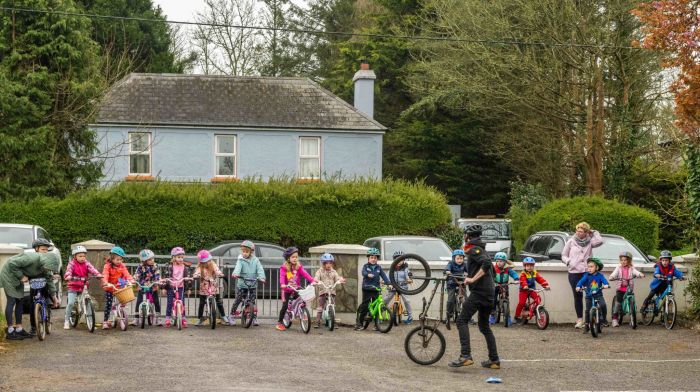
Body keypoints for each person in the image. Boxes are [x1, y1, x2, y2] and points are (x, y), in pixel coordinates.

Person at [449, 224, 500, 370]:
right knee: (484, 327)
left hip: (480, 293)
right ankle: (494, 360)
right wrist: (470, 277)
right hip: (488, 292)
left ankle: (465, 355)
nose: (464, 236)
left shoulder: (474, 249)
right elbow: (490, 270)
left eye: (465, 234)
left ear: (468, 236)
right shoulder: (479, 248)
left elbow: (486, 263)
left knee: (461, 320)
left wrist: (472, 279)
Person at [0, 244, 60, 340]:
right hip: (9, 276)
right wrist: (21, 276)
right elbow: (12, 263)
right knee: (12, 301)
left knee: (20, 301)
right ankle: (10, 330)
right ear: (46, 263)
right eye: (48, 268)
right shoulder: (31, 258)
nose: (48, 270)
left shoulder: (45, 266)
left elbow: (48, 279)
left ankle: (19, 329)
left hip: (18, 278)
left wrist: (54, 296)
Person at [562, 222, 603, 328]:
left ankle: (591, 320)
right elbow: (563, 255)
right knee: (578, 296)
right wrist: (568, 262)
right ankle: (580, 320)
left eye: (581, 231)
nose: (578, 233)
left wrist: (594, 232)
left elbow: (600, 241)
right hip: (574, 273)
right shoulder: (571, 241)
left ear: (586, 233)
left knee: (592, 294)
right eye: (577, 231)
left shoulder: (590, 242)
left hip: (588, 272)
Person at [63, 245, 102, 330]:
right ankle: (66, 320)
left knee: (88, 302)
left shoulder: (86, 263)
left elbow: (92, 269)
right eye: (80, 256)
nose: (82, 258)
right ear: (75, 256)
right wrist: (68, 276)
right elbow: (68, 270)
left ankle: (90, 321)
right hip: (73, 286)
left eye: (84, 256)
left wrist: (98, 274)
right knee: (71, 303)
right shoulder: (72, 263)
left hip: (83, 286)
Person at [276, 247, 315, 331]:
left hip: (295, 289)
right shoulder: (284, 268)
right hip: (286, 290)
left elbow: (305, 274)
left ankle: (301, 311)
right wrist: (283, 284)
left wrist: (312, 280)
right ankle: (279, 322)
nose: (295, 259)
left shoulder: (298, 267)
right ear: (288, 258)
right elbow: (282, 277)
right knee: (285, 305)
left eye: (296, 257)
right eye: (293, 257)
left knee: (302, 299)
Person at [229, 240, 266, 326]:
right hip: (242, 284)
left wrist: (262, 277)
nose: (244, 253)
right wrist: (236, 274)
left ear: (251, 252)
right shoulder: (240, 260)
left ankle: (254, 317)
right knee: (238, 299)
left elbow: (259, 268)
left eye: (247, 251)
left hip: (252, 283)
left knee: (252, 302)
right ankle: (231, 315)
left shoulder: (255, 260)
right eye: (243, 251)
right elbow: (238, 267)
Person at [354, 247, 391, 331]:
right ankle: (359, 323)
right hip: (367, 288)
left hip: (376, 289)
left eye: (375, 258)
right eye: (371, 257)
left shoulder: (378, 267)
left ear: (377, 259)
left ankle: (376, 324)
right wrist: (367, 274)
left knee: (377, 306)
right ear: (368, 258)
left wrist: (389, 283)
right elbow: (363, 272)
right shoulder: (365, 266)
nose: (373, 259)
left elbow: (384, 276)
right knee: (365, 306)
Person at [101, 246, 136, 329]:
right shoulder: (107, 266)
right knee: (108, 304)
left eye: (121, 259)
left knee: (123, 300)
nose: (119, 261)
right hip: (110, 287)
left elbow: (126, 274)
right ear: (112, 259)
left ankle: (122, 314)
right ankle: (105, 321)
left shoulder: (122, 266)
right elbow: (105, 274)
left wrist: (131, 280)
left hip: (119, 286)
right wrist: (105, 282)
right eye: (117, 259)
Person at [641, 250, 685, 314]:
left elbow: (677, 272)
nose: (664, 262)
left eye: (666, 260)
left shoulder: (672, 267)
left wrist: (682, 276)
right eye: (663, 260)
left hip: (666, 285)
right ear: (661, 260)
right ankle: (644, 305)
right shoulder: (659, 266)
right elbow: (656, 272)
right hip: (657, 285)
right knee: (651, 294)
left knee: (666, 300)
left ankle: (664, 317)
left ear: (669, 261)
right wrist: (657, 275)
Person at [193, 250, 229, 326]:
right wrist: (196, 275)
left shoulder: (213, 264)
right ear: (202, 262)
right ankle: (200, 318)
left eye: (209, 260)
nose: (208, 262)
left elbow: (217, 270)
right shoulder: (200, 267)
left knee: (219, 301)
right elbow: (197, 272)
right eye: (206, 262)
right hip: (204, 287)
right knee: (202, 303)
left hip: (213, 286)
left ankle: (223, 316)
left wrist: (220, 274)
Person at [609, 251, 644, 327]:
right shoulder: (618, 268)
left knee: (632, 302)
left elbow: (636, 272)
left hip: (629, 288)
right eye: (621, 260)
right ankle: (614, 319)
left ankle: (632, 319)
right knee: (618, 303)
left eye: (625, 260)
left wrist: (640, 274)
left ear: (629, 261)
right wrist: (612, 277)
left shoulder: (631, 268)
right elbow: (614, 274)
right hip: (620, 289)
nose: (623, 262)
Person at [576, 257, 610, 334]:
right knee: (587, 310)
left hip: (598, 295)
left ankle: (603, 319)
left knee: (603, 305)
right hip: (589, 295)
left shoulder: (600, 275)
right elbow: (581, 281)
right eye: (588, 267)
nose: (589, 268)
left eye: (591, 267)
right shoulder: (586, 275)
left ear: (597, 267)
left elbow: (605, 282)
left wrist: (606, 285)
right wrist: (578, 286)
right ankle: (587, 325)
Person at [161, 247, 192, 328]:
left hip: (181, 287)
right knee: (170, 302)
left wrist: (188, 288)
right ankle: (167, 318)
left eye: (182, 257)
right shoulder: (169, 266)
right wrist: (163, 287)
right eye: (179, 257)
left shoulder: (185, 267)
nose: (181, 259)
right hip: (171, 286)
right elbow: (165, 277)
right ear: (174, 257)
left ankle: (183, 318)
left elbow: (188, 278)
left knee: (182, 303)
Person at [313, 252, 346, 328]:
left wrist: (340, 279)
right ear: (323, 264)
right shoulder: (320, 271)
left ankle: (332, 322)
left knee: (332, 306)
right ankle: (318, 322)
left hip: (331, 291)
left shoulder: (334, 272)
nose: (328, 265)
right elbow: (316, 277)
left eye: (330, 263)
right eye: (326, 263)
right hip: (323, 291)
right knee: (320, 307)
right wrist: (317, 281)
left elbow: (337, 277)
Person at [514, 257, 550, 324]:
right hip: (524, 290)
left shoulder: (535, 273)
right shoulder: (523, 273)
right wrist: (525, 285)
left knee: (538, 299)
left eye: (531, 265)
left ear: (533, 266)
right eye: (527, 266)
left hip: (532, 290)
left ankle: (535, 311)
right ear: (525, 266)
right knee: (521, 303)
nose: (529, 267)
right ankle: (517, 316)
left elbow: (540, 279)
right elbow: (522, 280)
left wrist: (545, 285)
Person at [131, 249, 162, 326]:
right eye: (150, 259)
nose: (152, 260)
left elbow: (157, 274)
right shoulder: (141, 266)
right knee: (139, 301)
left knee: (156, 302)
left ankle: (158, 319)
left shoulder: (155, 265)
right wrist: (134, 279)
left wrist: (158, 280)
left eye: (152, 258)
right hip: (143, 286)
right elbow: (137, 274)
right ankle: (136, 319)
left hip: (152, 286)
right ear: (144, 260)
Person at [383, 251, 413, 325]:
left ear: (403, 260)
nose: (399, 261)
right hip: (393, 287)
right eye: (397, 259)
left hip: (403, 287)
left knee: (407, 300)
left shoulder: (405, 269)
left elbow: (408, 277)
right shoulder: (391, 269)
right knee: (386, 299)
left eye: (401, 260)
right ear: (394, 260)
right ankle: (379, 314)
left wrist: (409, 280)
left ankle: (410, 317)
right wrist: (385, 282)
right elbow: (387, 278)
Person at [489, 252, 519, 325]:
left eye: (501, 261)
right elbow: (490, 275)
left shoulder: (507, 269)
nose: (499, 263)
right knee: (493, 299)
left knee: (506, 299)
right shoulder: (494, 268)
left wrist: (516, 279)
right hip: (495, 285)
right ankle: (492, 315)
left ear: (505, 262)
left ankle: (508, 317)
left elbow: (514, 274)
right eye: (497, 261)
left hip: (505, 285)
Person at [444, 249, 468, 325]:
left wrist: (469, 274)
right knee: (450, 300)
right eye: (458, 258)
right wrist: (448, 272)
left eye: (461, 258)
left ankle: (467, 316)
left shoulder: (464, 264)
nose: (459, 260)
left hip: (461, 282)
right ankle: (448, 315)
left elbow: (469, 271)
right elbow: (447, 269)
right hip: (452, 282)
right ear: (454, 258)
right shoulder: (450, 263)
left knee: (466, 298)